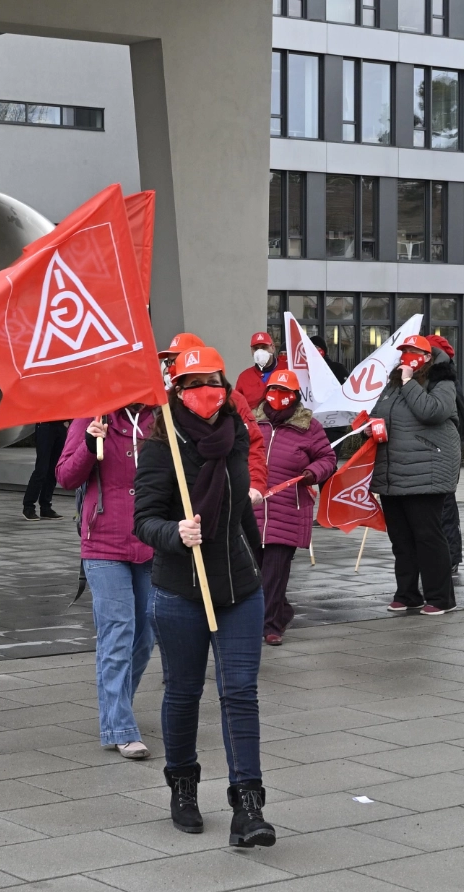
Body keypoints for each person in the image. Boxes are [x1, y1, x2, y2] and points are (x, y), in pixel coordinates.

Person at [134, 345, 275, 848]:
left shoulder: (236, 436)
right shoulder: (160, 443)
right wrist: (176, 533)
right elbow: (144, 519)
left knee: (239, 691)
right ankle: (184, 786)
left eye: (213, 381)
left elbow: (242, 507)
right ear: (177, 389)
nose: (206, 392)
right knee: (183, 691)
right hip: (179, 588)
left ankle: (248, 806)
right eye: (194, 384)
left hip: (238, 585)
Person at [57, 401, 157, 760]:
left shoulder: (158, 418)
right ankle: (120, 725)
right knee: (118, 631)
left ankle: (117, 709)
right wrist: (88, 443)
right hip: (102, 543)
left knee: (145, 635)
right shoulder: (92, 414)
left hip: (151, 541)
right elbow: (65, 476)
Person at [371, 335, 462, 615]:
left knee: (428, 536)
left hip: (427, 472)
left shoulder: (441, 383)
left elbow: (431, 411)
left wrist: (410, 382)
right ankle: (407, 594)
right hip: (394, 473)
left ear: (427, 357)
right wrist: (370, 425)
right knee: (401, 539)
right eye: (404, 352)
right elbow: (380, 412)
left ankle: (440, 597)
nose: (406, 356)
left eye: (413, 352)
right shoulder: (393, 384)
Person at [251, 370, 335, 646]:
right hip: (253, 509)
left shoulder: (309, 426)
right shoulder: (251, 421)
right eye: (274, 390)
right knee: (254, 570)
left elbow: (328, 457)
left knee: (275, 573)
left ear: (296, 397)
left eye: (286, 392)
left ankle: (270, 626)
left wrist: (313, 472)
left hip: (288, 508)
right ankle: (281, 610)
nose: (279, 397)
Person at [162, 332, 268, 503]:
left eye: (177, 360)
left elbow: (252, 443)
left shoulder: (232, 400)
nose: (170, 367)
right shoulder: (163, 402)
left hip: (223, 492)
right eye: (169, 362)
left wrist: (255, 484)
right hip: (176, 497)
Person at [426, 335, 464, 574]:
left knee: (444, 506)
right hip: (442, 451)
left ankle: (450, 557)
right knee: (443, 506)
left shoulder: (443, 382)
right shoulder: (442, 379)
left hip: (442, 452)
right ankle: (449, 556)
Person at [22, 421, 67, 522]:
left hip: (60, 425)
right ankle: (28, 507)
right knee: (41, 469)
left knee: (53, 470)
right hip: (45, 426)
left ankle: (46, 507)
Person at [234, 331, 278, 410]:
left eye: (264, 347)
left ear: (273, 348)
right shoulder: (244, 377)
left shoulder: (286, 371)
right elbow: (237, 407)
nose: (260, 352)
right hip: (253, 421)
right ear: (251, 351)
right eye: (256, 349)